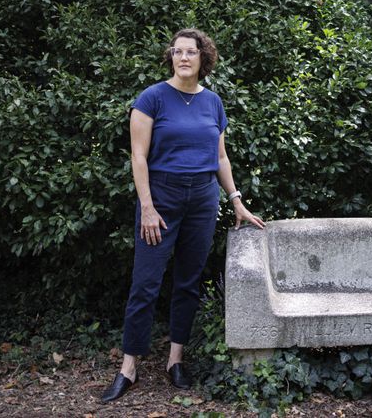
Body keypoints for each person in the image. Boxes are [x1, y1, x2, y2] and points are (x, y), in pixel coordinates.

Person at [101, 28, 265, 403]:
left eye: (191, 52)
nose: (184, 57)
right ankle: (129, 366)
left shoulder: (213, 103)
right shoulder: (152, 98)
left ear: (203, 59)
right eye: (178, 52)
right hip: (162, 198)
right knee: (146, 283)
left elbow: (220, 157)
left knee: (188, 282)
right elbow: (138, 156)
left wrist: (235, 199)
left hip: (203, 201)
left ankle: (176, 360)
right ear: (171, 57)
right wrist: (147, 206)